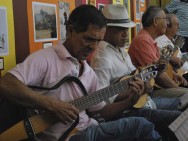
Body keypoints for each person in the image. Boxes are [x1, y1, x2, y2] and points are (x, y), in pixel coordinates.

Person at [0, 5, 161, 141]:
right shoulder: (45, 59)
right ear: (71, 31)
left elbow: (100, 111)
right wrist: (52, 105)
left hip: (89, 128)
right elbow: (6, 83)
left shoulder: (88, 72)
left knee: (146, 120)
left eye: (99, 40)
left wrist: (131, 100)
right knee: (141, 125)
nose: (94, 47)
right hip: (69, 136)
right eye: (89, 39)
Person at [90, 4, 181, 141]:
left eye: (126, 29)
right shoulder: (102, 57)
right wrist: (134, 93)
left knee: (183, 106)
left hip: (143, 101)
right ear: (106, 30)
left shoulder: (120, 50)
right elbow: (103, 100)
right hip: (128, 110)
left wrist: (147, 83)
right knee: (178, 119)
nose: (126, 34)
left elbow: (136, 74)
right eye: (120, 29)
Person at [128, 6, 188, 98]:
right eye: (165, 19)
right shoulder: (143, 41)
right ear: (155, 21)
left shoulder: (149, 39)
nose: (167, 24)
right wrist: (178, 89)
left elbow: (159, 69)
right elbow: (158, 75)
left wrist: (173, 74)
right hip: (149, 94)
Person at [155, 14, 188, 87]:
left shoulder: (173, 41)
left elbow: (180, 58)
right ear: (168, 27)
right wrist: (171, 58)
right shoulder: (160, 40)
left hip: (182, 73)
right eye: (176, 25)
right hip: (174, 78)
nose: (178, 27)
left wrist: (185, 56)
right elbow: (156, 56)